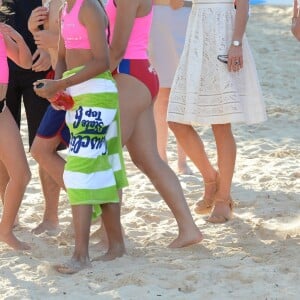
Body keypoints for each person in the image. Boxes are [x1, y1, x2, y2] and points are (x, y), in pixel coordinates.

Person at [33, 0, 128, 274]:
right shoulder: (64, 9)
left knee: (79, 170)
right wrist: (59, 93)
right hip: (77, 96)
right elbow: (61, 56)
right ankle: (117, 247)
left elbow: (103, 61)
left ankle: (80, 256)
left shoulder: (89, 8)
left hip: (97, 94)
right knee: (105, 168)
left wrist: (61, 84)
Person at [105, 0, 203, 248]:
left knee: (107, 156)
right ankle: (188, 229)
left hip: (129, 73)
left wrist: (85, 78)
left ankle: (110, 237)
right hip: (138, 72)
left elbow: (117, 48)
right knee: (147, 159)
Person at [167, 0, 267, 223]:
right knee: (176, 121)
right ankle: (211, 179)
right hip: (196, 40)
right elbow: (175, 4)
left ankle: (223, 199)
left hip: (224, 37)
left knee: (221, 124)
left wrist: (236, 43)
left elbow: (242, 5)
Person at [0, 0, 61, 234]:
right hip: (5, 65)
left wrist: (48, 49)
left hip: (38, 61)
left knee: (45, 143)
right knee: (3, 149)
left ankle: (51, 217)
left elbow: (53, 8)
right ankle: (10, 216)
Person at [28, 0, 70, 235]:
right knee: (42, 150)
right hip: (60, 84)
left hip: (77, 86)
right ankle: (90, 207)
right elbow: (53, 49)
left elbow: (95, 47)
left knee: (99, 157)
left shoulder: (79, 4)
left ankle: (96, 209)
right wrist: (35, 31)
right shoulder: (50, 2)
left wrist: (54, 42)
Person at [0, 4, 32, 250]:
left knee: (21, 174)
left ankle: (5, 231)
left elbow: (25, 62)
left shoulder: (2, 32)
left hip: (1, 110)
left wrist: (19, 38)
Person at [149, 0, 193, 175]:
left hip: (185, 16)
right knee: (161, 94)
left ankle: (183, 161)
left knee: (183, 93)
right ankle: (161, 156)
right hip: (157, 18)